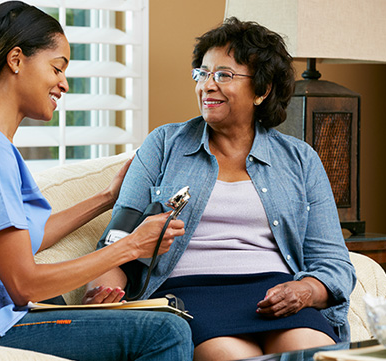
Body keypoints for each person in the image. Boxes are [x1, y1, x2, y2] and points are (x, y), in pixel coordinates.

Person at [0, 2, 194, 360]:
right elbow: (24, 284)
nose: (64, 83)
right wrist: (131, 246)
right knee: (166, 331)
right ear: (16, 60)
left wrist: (107, 197)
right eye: (57, 68)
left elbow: (28, 239)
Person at [87, 17, 356, 361]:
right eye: (202, 73)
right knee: (229, 355)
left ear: (262, 90)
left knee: (310, 352)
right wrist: (102, 289)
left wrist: (305, 290)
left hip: (275, 295)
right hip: (191, 293)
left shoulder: (300, 159)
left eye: (224, 75)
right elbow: (117, 239)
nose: (206, 85)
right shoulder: (164, 144)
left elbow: (333, 262)